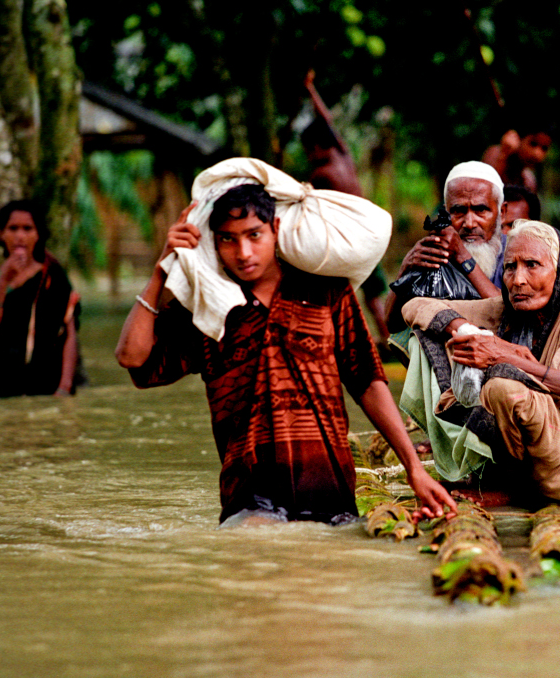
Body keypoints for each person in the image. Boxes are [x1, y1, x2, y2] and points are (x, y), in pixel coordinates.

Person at [115, 184, 456, 526]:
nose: (243, 252)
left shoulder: (325, 289)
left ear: (276, 230)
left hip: (329, 488)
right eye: (228, 239)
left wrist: (415, 470)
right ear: (214, 242)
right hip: (248, 496)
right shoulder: (207, 307)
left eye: (254, 235)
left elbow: (367, 380)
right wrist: (162, 269)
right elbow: (133, 358)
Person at [400, 220, 560, 503]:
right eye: (510, 267)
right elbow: (415, 305)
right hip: (539, 450)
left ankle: (511, 489)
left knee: (503, 386)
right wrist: (466, 331)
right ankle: (499, 475)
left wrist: (512, 357)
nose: (518, 279)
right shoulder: (508, 311)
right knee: (425, 336)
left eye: (532, 264)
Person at [301, 69, 390, 346]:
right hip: (369, 228)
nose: (308, 157)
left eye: (308, 151)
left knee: (351, 289)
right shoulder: (343, 155)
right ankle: (386, 336)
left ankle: (382, 338)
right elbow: (327, 121)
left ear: (315, 147)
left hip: (355, 233)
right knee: (373, 290)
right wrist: (310, 89)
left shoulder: (322, 174)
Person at [383, 161, 506, 335]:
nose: (469, 223)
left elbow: (511, 316)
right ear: (446, 212)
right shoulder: (435, 253)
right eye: (458, 211)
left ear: (502, 211)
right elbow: (391, 324)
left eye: (480, 210)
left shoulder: (516, 252)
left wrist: (463, 257)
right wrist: (405, 269)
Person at [0, 200, 80, 398]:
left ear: (38, 234)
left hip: (50, 385)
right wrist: (3, 281)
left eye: (27, 229)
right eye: (13, 228)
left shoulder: (54, 277)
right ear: (2, 233)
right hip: (5, 385)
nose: (20, 236)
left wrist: (64, 388)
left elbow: (70, 335)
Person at [482, 123, 552, 193]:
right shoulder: (495, 154)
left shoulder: (529, 182)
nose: (537, 154)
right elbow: (485, 191)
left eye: (544, 148)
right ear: (518, 139)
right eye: (533, 144)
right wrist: (504, 154)